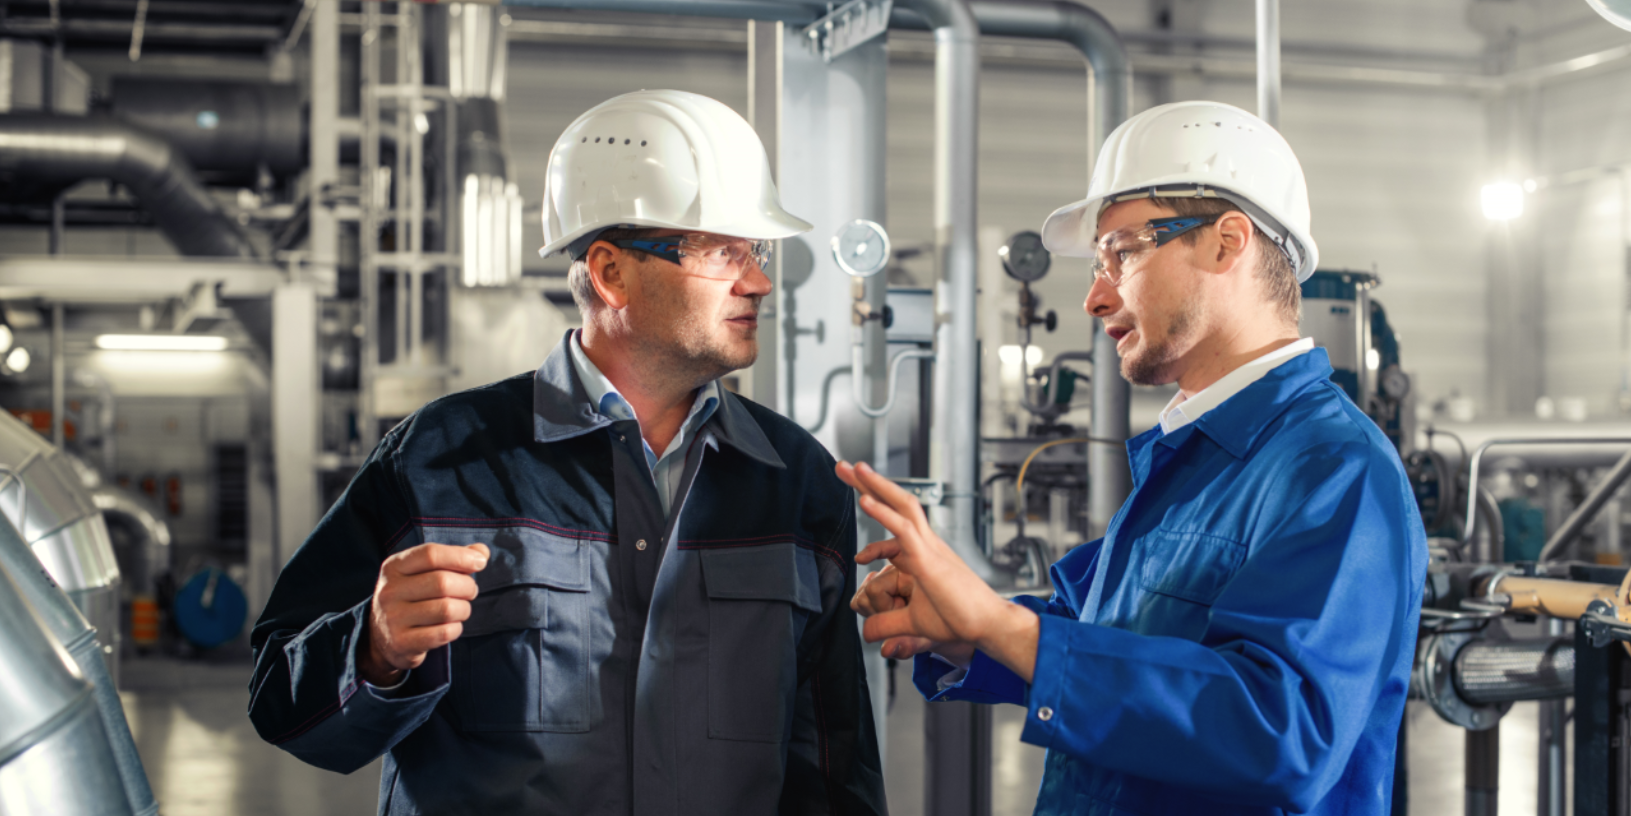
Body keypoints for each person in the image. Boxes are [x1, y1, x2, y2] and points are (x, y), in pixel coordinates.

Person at [249, 89, 886, 816]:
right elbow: (280, 702)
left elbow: (833, 765)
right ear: (611, 273)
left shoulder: (798, 480)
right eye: (720, 250)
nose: (759, 281)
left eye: (757, 250)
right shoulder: (440, 462)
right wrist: (374, 649)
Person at [842, 100, 1426, 815]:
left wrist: (1001, 627)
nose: (1093, 295)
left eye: (1121, 252)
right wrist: (965, 628)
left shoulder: (1334, 469)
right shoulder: (1194, 455)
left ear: (1225, 242)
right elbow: (1109, 645)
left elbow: (1281, 730)